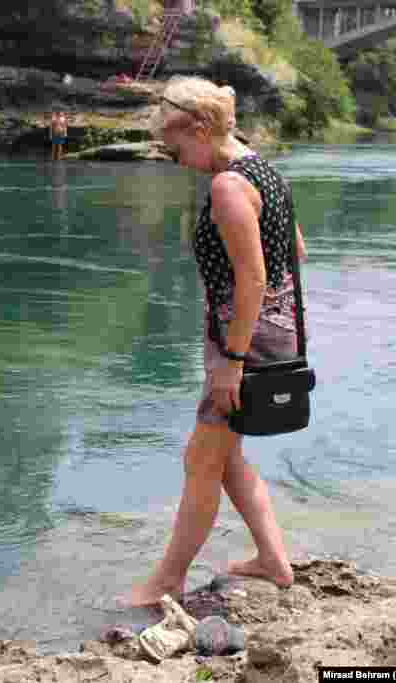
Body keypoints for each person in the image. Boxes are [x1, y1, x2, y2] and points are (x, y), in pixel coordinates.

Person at [126, 76, 308, 607]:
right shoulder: (266, 171)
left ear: (200, 129)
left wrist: (233, 359)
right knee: (225, 459)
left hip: (244, 343)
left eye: (175, 147)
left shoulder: (229, 186)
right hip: (270, 334)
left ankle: (167, 581)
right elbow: (295, 251)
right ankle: (273, 561)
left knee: (201, 460)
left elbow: (253, 277)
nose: (177, 160)